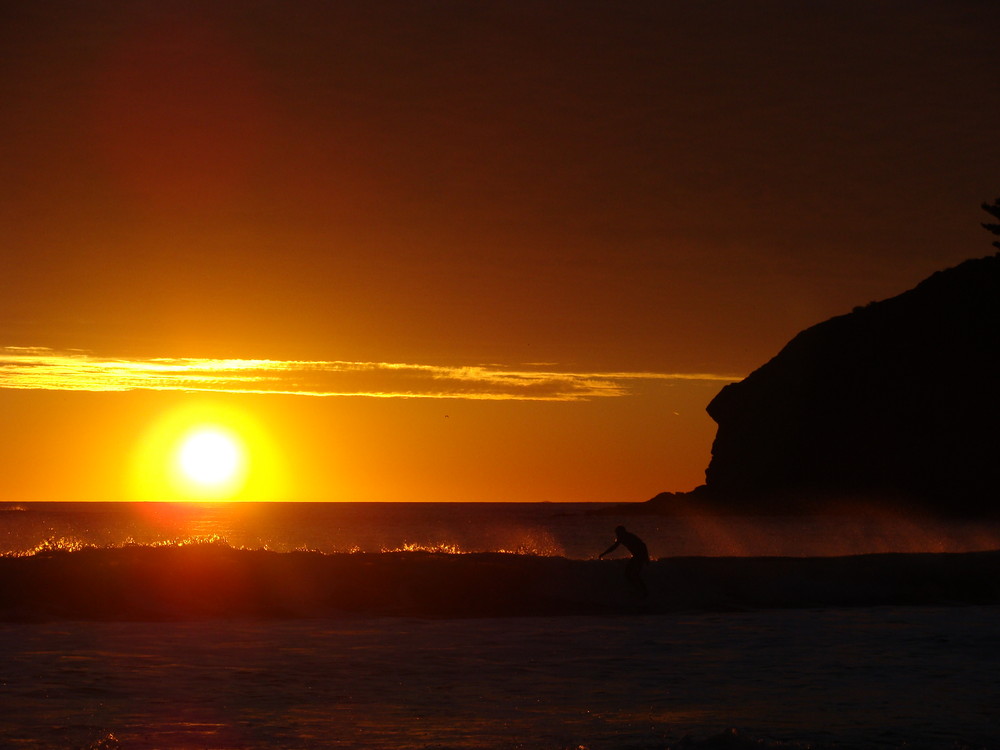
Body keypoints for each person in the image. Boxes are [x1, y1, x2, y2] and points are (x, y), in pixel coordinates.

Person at [599, 525, 650, 597]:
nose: (617, 534)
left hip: (640, 556)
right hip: (636, 557)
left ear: (622, 532)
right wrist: (604, 554)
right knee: (629, 574)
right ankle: (639, 590)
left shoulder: (629, 536)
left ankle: (643, 592)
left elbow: (643, 545)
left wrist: (646, 558)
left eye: (617, 533)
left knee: (632, 574)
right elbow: (614, 547)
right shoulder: (622, 538)